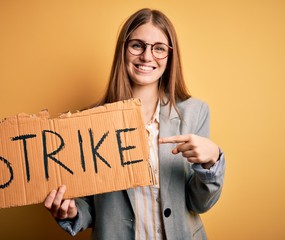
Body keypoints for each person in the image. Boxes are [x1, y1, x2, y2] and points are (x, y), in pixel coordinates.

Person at [44, 8, 225, 240]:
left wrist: (212, 162)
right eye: (137, 45)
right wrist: (72, 211)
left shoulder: (195, 112)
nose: (147, 57)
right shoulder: (89, 119)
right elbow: (90, 206)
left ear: (170, 57)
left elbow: (199, 203)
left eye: (159, 48)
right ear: (124, 50)